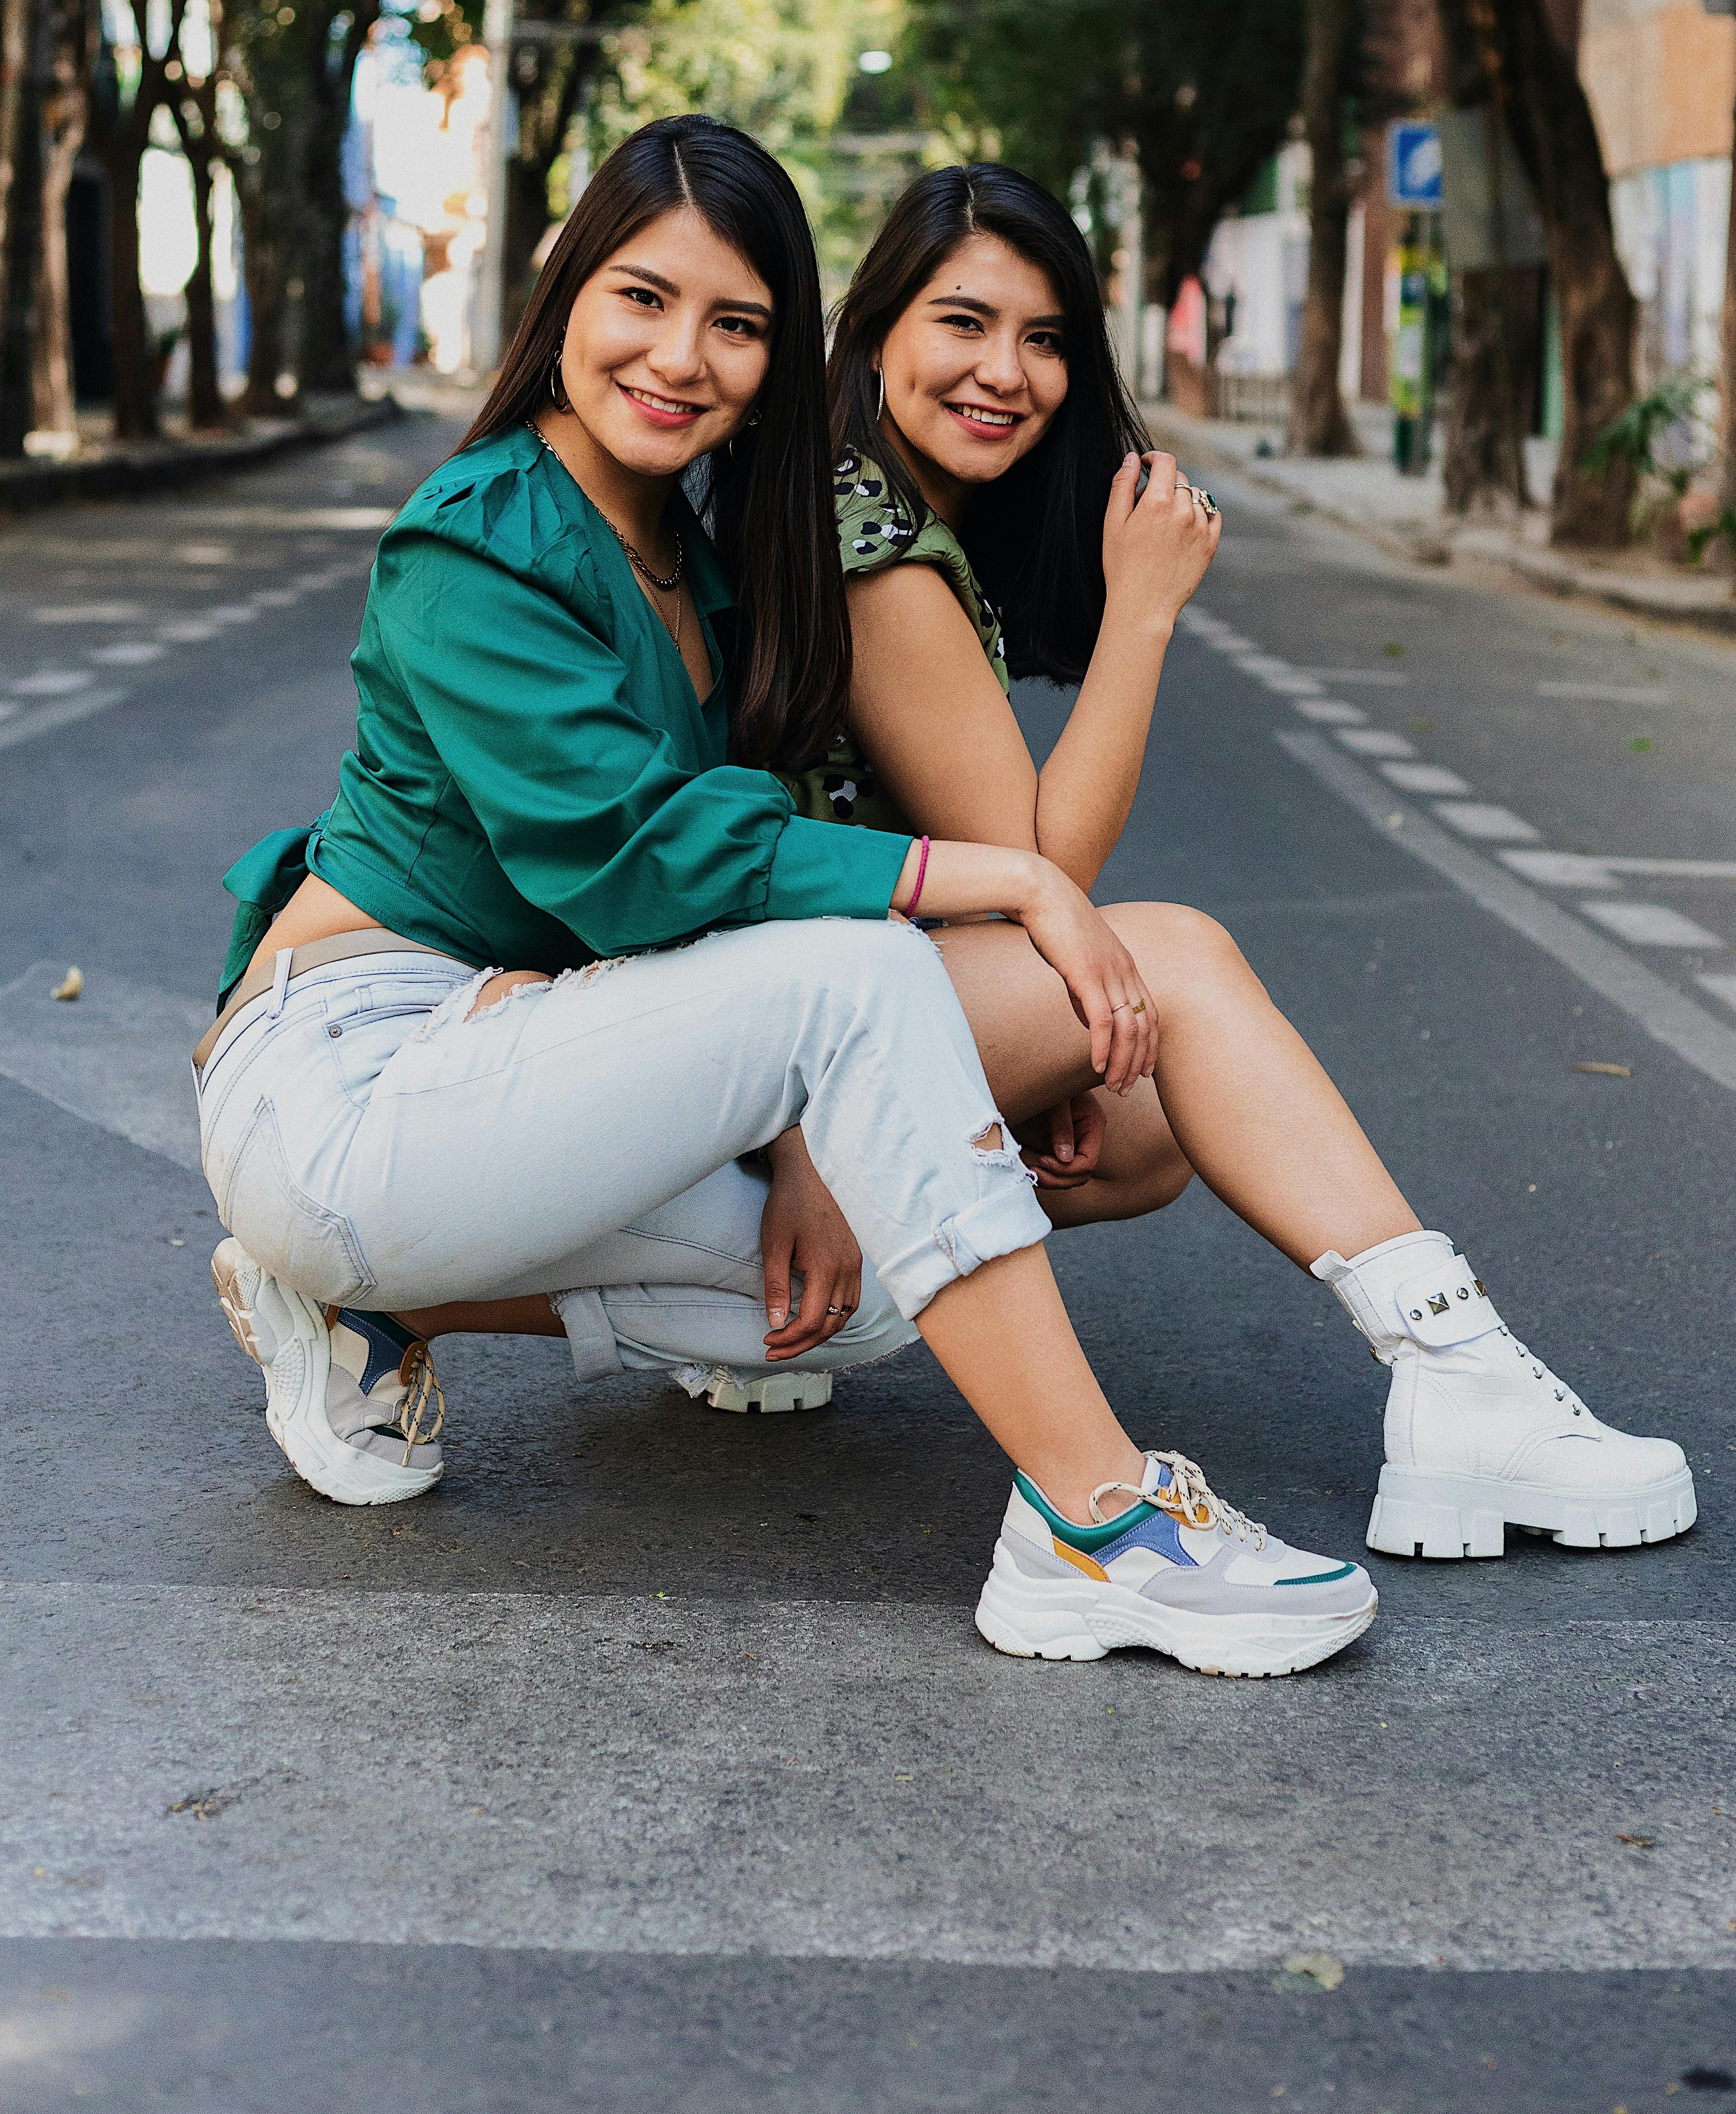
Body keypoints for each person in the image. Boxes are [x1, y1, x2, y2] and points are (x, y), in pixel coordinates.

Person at [197, 115, 1378, 1681]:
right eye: (642, 298)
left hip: (519, 1045)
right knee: (861, 984)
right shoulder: (474, 544)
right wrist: (988, 876)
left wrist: (859, 1100)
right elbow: (638, 861)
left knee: (893, 1274)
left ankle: (368, 1307)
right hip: (344, 1087)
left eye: (738, 324)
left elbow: (760, 845)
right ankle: (1094, 1523)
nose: (682, 356)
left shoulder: (694, 542)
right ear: (566, 298)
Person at [777, 160, 1696, 1566]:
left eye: (1044, 340)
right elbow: (1040, 879)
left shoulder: (885, 514)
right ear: (877, 331)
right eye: (962, 324)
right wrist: (1144, 616)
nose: (1005, 372)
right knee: (1173, 966)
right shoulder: (876, 544)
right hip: (778, 1021)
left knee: (1141, 1122)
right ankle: (1461, 1376)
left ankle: (779, 1297)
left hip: (803, 986)